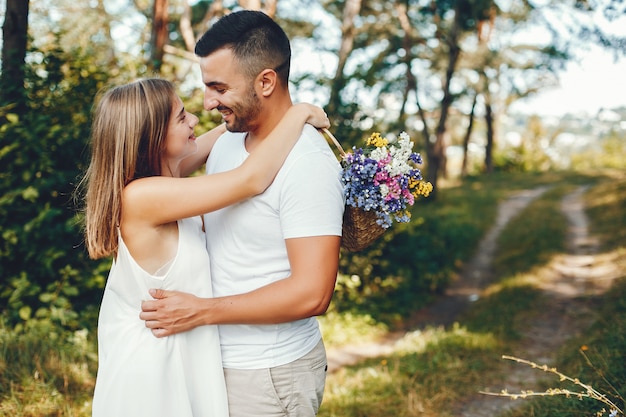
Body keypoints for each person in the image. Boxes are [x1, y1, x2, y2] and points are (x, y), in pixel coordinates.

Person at [79, 77, 329, 417]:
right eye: (182, 117)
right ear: (152, 137)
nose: (195, 119)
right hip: (153, 371)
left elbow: (222, 134)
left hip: (179, 352)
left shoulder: (168, 177)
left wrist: (260, 114)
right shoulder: (143, 197)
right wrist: (296, 114)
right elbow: (250, 179)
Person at [139, 10, 345, 417]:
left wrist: (201, 310)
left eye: (218, 87)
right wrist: (299, 110)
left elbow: (313, 293)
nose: (208, 102)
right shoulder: (230, 138)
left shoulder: (307, 162)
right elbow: (156, 160)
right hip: (211, 361)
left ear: (265, 81)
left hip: (267, 373)